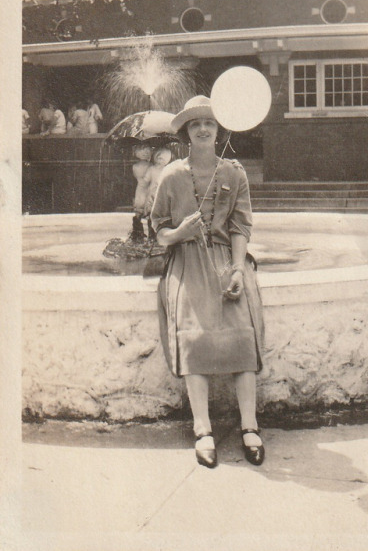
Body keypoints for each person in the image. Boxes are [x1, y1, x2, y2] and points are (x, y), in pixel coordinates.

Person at [150, 95, 265, 469]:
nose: (202, 129)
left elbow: (240, 227)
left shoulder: (234, 172)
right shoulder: (170, 176)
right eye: (196, 124)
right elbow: (159, 234)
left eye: (210, 123)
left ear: (219, 131)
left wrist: (236, 269)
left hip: (224, 262)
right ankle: (203, 428)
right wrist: (180, 231)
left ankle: (250, 426)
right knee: (194, 337)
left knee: (242, 335)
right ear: (186, 132)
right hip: (186, 261)